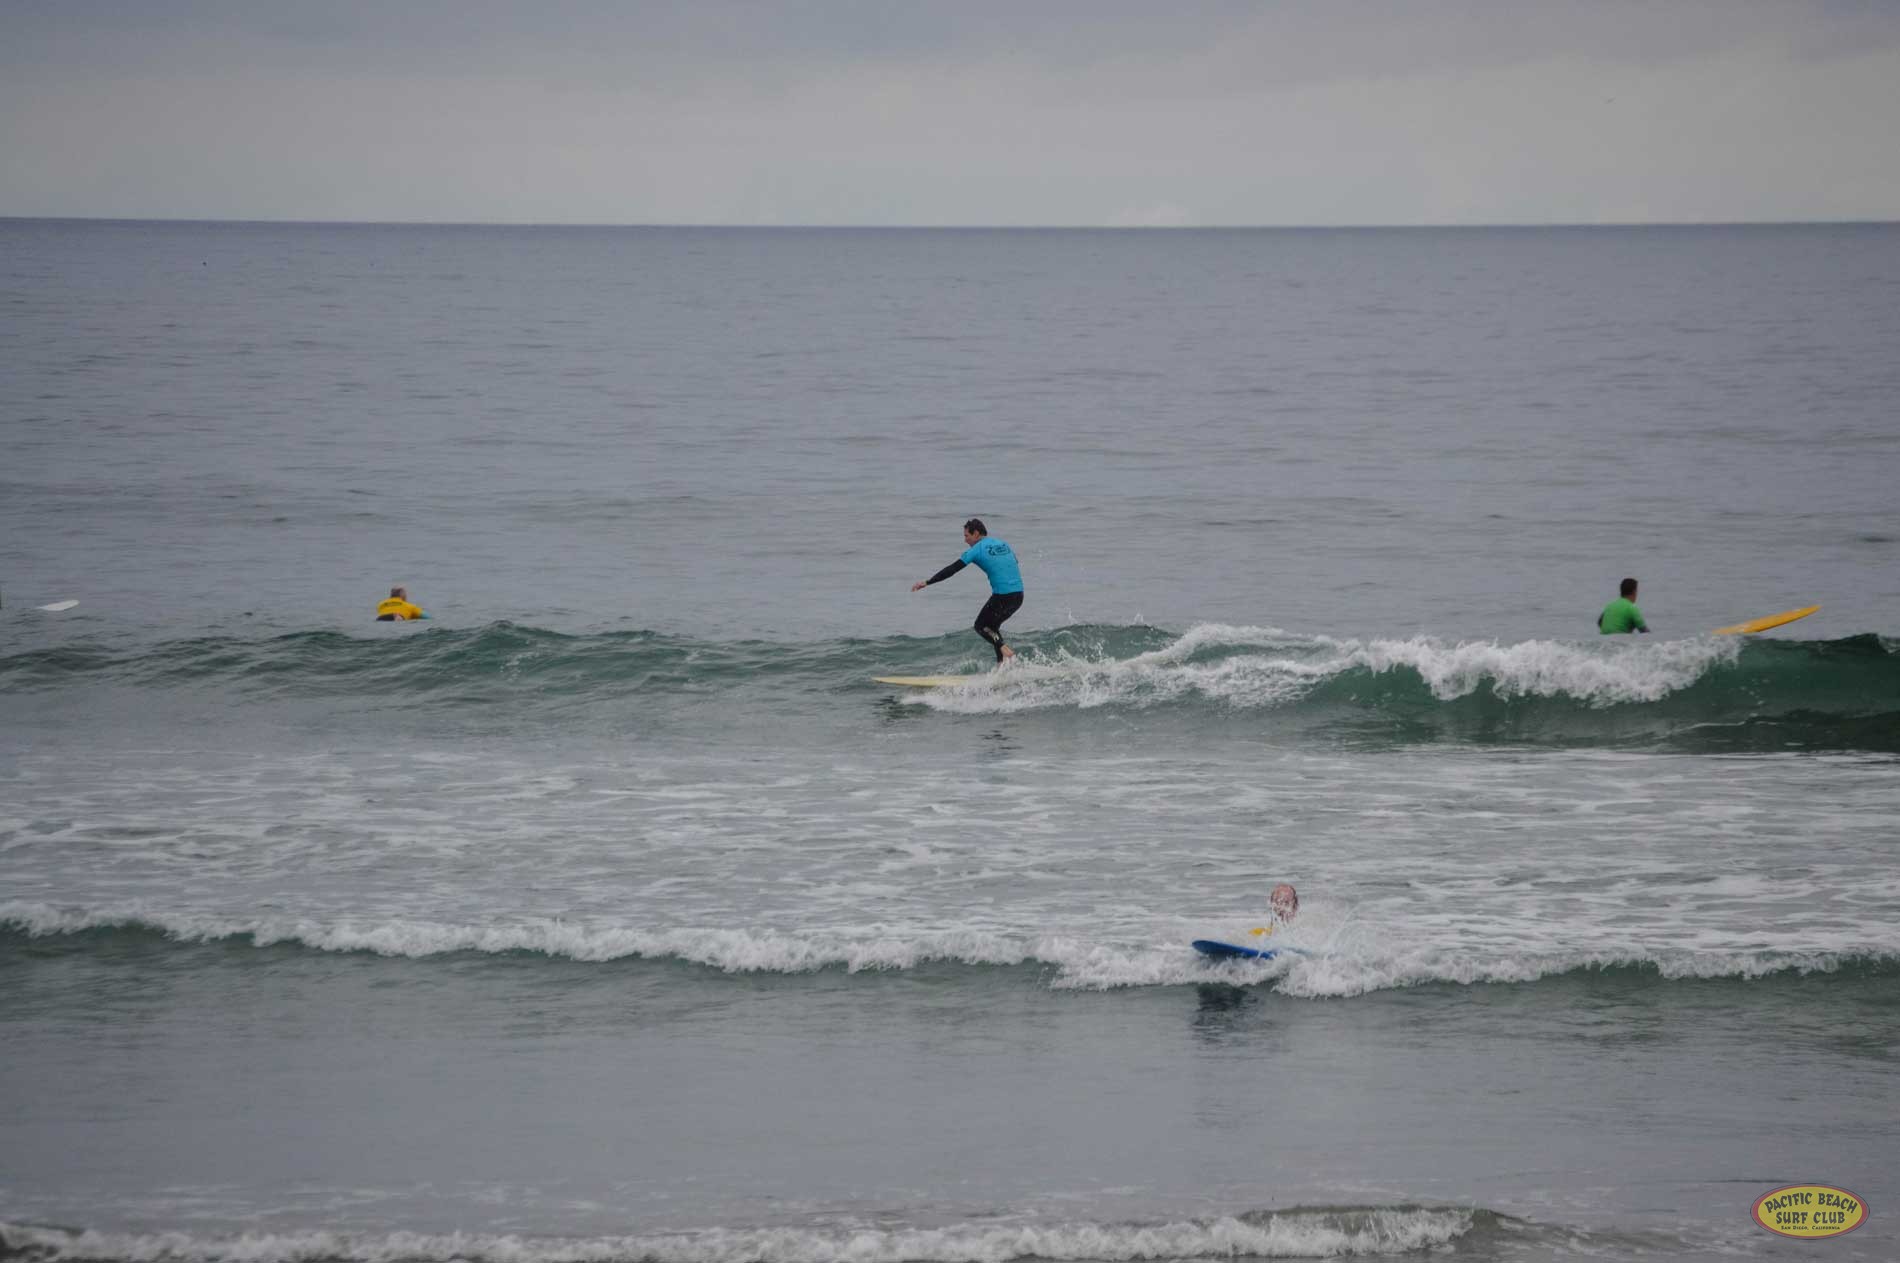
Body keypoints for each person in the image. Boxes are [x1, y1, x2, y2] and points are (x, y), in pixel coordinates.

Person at [911, 518, 1024, 665]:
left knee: (980, 625)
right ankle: (1001, 666)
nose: (965, 540)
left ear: (976, 533)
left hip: (1003, 596)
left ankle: (1005, 650)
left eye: (967, 536)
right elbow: (1014, 562)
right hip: (1019, 596)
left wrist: (928, 582)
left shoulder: (976, 549)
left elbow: (952, 569)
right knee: (992, 628)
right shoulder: (1003, 544)